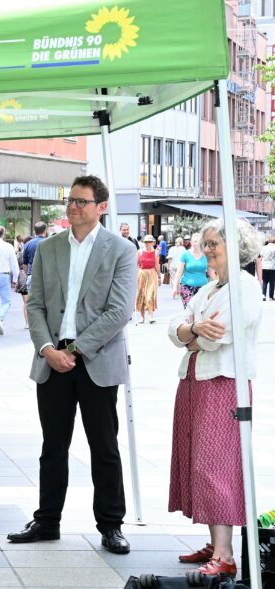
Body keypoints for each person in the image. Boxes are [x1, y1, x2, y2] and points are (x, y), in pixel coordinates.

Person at [9, 175, 136, 555]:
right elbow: (35, 304)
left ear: (101, 207)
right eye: (71, 201)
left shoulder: (120, 249)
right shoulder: (48, 249)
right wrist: (48, 348)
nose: (73, 207)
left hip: (95, 360)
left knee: (104, 447)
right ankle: (47, 521)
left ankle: (111, 525)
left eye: (82, 201)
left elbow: (119, 311)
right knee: (52, 445)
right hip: (52, 360)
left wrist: (76, 350)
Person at [166, 218, 263, 577]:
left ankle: (224, 554)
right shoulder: (209, 290)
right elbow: (175, 328)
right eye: (204, 243)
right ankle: (215, 543)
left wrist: (190, 334)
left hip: (225, 384)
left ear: (234, 248)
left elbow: (217, 336)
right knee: (198, 461)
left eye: (213, 244)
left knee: (217, 465)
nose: (206, 250)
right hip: (196, 382)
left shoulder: (246, 286)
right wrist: (191, 330)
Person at [20, 222, 47, 328]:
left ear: (34, 231)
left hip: (31, 276)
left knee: (31, 301)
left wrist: (27, 275)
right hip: (45, 276)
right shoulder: (47, 242)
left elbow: (24, 264)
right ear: (45, 231)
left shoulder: (28, 244)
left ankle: (30, 323)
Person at [172, 235, 209, 308]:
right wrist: (175, 287)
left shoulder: (205, 255)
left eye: (199, 241)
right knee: (189, 311)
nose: (197, 243)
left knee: (201, 310)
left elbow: (211, 272)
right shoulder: (185, 255)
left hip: (203, 287)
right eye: (195, 241)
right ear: (191, 243)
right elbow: (179, 272)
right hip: (187, 287)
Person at [136, 235, 161, 325]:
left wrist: (159, 277)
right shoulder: (140, 252)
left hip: (152, 274)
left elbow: (157, 265)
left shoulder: (156, 253)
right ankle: (142, 317)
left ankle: (151, 316)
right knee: (141, 295)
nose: (147, 244)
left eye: (149, 242)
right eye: (146, 242)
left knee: (150, 295)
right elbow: (136, 264)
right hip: (142, 273)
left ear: (153, 243)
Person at [261, 235, 275, 301]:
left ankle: (263, 295)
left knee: (265, 282)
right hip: (272, 267)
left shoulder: (264, 248)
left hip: (264, 266)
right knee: (272, 282)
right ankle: (270, 297)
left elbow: (261, 255)